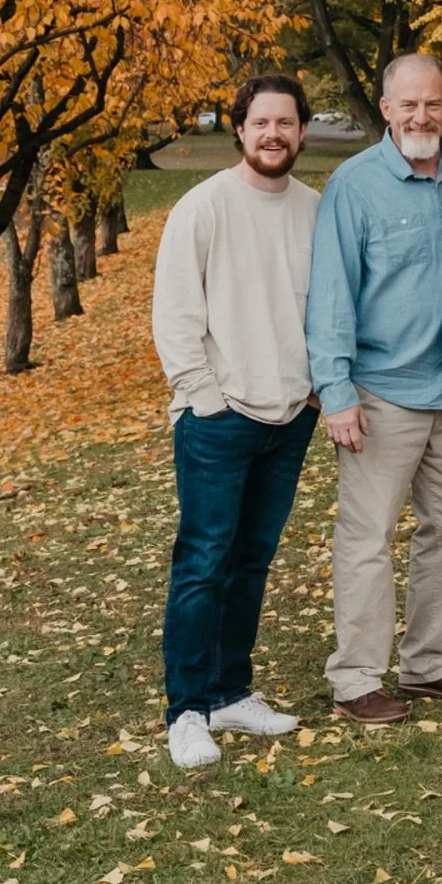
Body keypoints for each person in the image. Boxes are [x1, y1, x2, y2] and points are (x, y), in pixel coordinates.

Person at [306, 53, 442, 725]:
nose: (423, 116)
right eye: (409, 105)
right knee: (368, 536)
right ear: (385, 109)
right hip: (381, 391)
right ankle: (357, 678)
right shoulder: (353, 186)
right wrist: (336, 392)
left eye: (433, 104)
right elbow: (331, 295)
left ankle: (429, 664)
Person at [152, 73, 322, 770]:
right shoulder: (204, 207)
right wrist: (204, 397)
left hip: (290, 417)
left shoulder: (316, 208)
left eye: (286, 123)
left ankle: (229, 692)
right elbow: (175, 314)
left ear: (302, 131)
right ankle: (186, 711)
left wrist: (315, 391)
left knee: (251, 561)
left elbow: (328, 307)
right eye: (261, 123)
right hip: (219, 418)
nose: (274, 134)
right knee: (203, 563)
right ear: (241, 130)